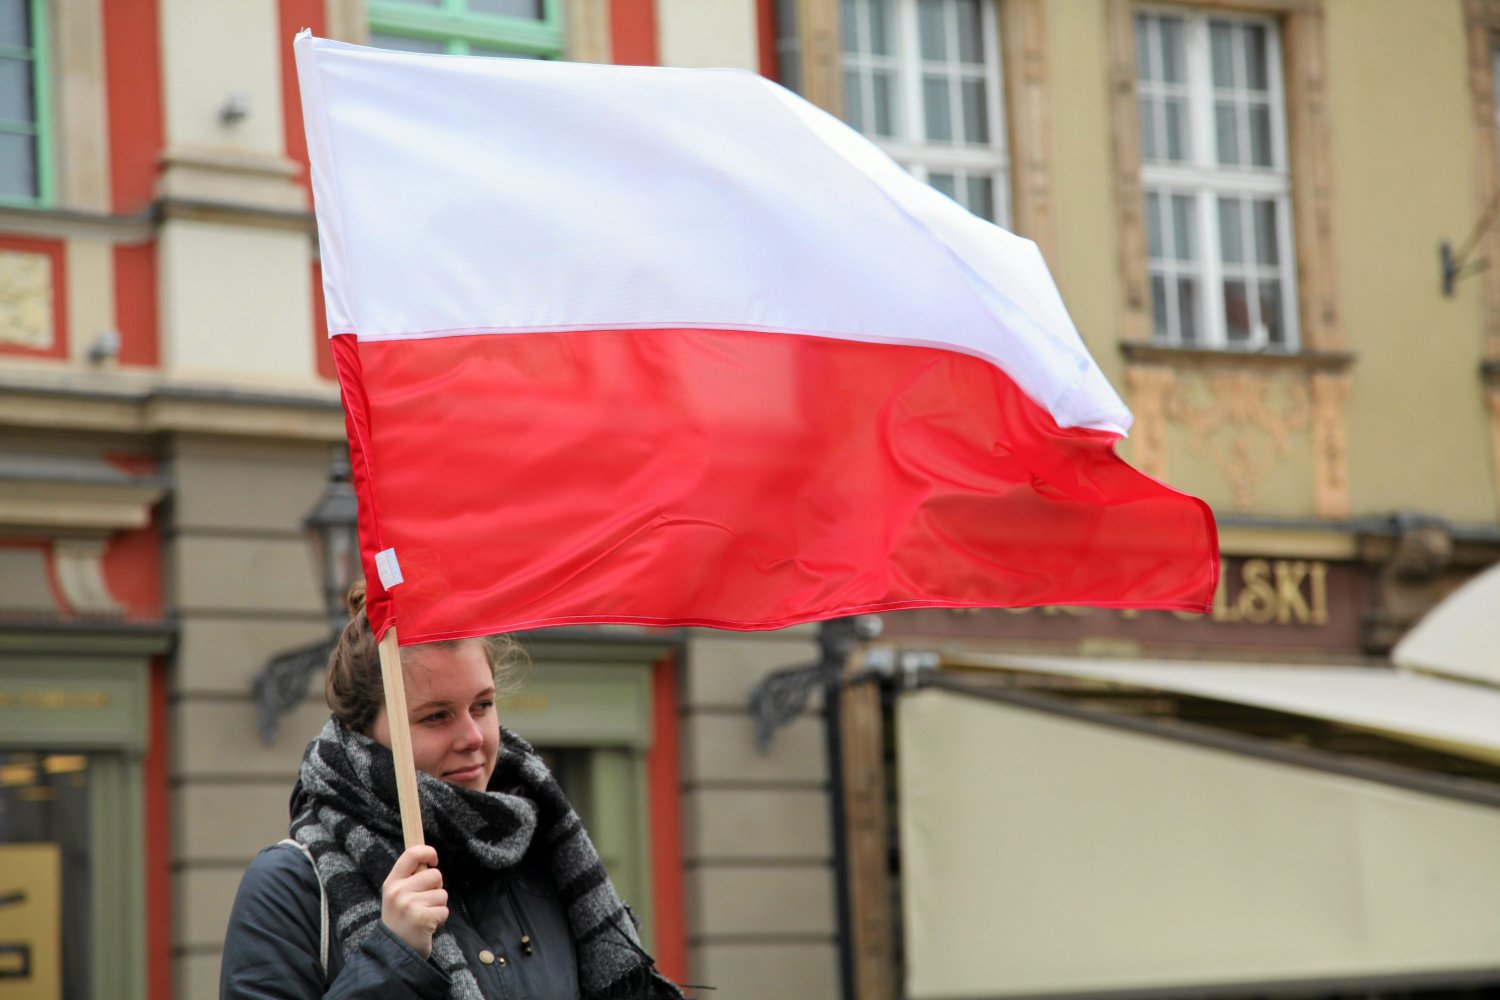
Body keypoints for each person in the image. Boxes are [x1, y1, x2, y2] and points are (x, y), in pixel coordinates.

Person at [221, 582, 683, 1000]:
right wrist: (392, 957)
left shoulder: (542, 853)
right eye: (436, 716)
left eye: (482, 705)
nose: (474, 738)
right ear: (365, 730)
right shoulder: (289, 885)